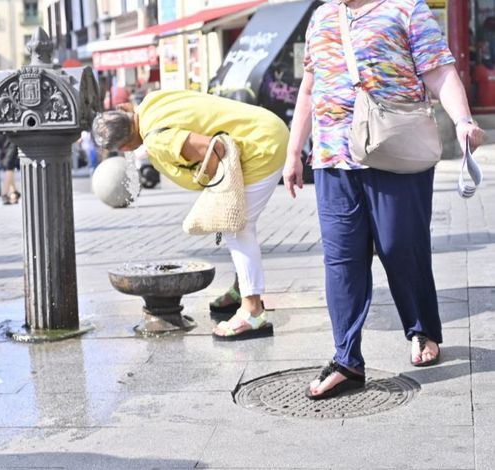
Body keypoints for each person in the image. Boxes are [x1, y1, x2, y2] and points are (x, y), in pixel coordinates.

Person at [284, 0, 485, 399]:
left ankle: (422, 328)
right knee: (341, 259)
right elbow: (310, 86)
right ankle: (346, 360)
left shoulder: (407, 10)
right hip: (333, 158)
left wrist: (463, 121)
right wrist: (293, 152)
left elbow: (440, 71)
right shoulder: (322, 17)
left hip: (396, 150)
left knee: (400, 247)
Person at [92, 90, 288, 340]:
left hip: (261, 147)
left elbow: (213, 149)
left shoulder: (157, 141)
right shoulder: (151, 102)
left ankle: (252, 311)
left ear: (124, 146)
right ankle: (243, 289)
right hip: (263, 127)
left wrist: (216, 191)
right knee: (239, 225)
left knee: (238, 228)